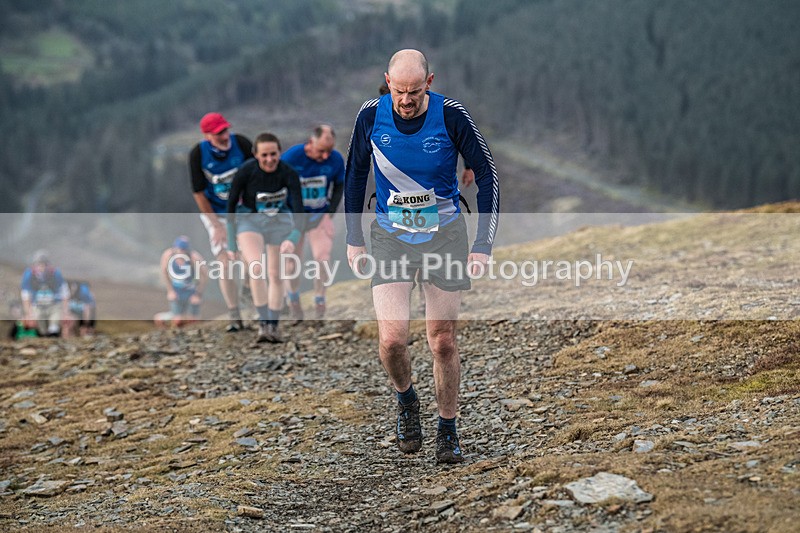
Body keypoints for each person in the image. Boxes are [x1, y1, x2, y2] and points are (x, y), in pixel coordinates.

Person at [346, 49, 499, 464]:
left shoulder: (451, 114)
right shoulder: (369, 116)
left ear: (429, 83)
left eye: (415, 91)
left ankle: (447, 428)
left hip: (444, 236)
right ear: (387, 82)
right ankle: (406, 399)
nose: (406, 100)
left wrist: (482, 244)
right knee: (392, 340)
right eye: (399, 91)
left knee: (442, 341)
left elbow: (486, 175)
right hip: (391, 238)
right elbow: (355, 173)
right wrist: (353, 238)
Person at [227, 132, 305, 343]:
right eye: (264, 156)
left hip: (277, 223)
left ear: (279, 153)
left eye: (273, 154)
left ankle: (273, 324)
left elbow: (299, 209)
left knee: (276, 275)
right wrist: (231, 242)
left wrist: (293, 236)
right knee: (256, 269)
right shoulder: (245, 172)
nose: (269, 160)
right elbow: (231, 207)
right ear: (256, 155)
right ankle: (262, 323)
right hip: (249, 220)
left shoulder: (288, 173)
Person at [189, 112, 253, 332]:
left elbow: (258, 173)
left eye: (226, 130)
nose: (225, 136)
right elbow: (199, 193)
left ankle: (247, 288)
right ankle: (234, 314)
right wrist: (216, 225)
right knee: (224, 264)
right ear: (208, 136)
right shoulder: (198, 154)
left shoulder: (242, 144)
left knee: (251, 258)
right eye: (219, 134)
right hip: (216, 213)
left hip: (244, 211)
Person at [281, 124, 345, 320]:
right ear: (310, 143)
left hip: (319, 216)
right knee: (291, 262)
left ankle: (320, 301)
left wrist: (329, 214)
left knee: (322, 259)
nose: (325, 156)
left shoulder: (335, 160)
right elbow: (277, 182)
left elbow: (339, 186)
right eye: (321, 151)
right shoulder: (292, 157)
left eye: (329, 151)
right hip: (294, 216)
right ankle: (293, 300)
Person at [20, 250, 72, 337]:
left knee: (54, 327)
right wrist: (28, 313)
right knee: (41, 329)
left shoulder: (56, 274)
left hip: (54, 305)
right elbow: (26, 296)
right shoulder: (28, 275)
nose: (42, 267)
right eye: (39, 264)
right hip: (37, 305)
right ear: (35, 265)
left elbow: (64, 293)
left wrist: (66, 312)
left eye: (44, 264)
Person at [158, 236, 208, 327]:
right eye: (179, 250)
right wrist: (170, 291)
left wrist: (198, 294)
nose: (181, 252)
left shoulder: (194, 257)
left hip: (191, 291)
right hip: (177, 291)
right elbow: (164, 273)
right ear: (175, 249)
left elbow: (204, 276)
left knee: (193, 320)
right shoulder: (168, 255)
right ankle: (161, 320)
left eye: (183, 250)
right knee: (177, 320)